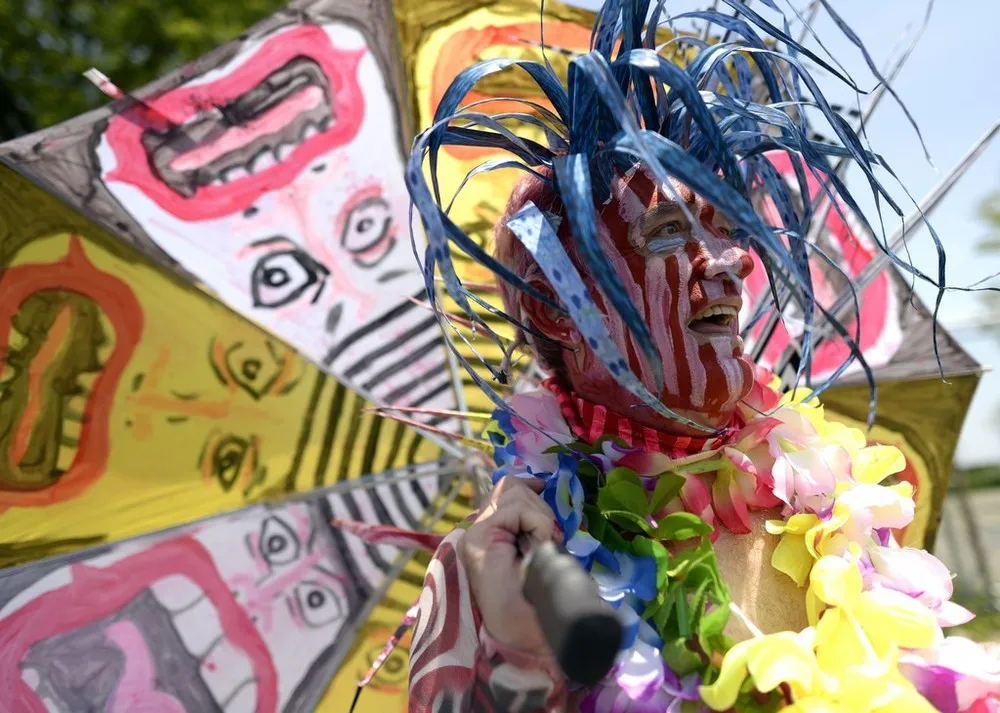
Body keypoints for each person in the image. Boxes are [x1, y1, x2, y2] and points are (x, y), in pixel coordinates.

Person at [365, 1, 1000, 711]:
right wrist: (517, 648)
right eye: (667, 232)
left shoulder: (837, 495)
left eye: (728, 227)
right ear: (555, 307)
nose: (729, 260)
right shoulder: (501, 563)